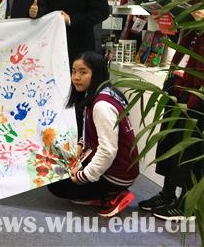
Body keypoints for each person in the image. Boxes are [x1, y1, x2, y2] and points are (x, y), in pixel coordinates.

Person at [138, 0, 203, 221]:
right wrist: (166, 21)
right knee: (169, 138)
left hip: (197, 86)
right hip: (179, 77)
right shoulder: (193, 1)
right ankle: (167, 194)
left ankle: (187, 202)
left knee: (190, 145)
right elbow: (179, 38)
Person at [48, 51, 139, 217]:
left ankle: (111, 196)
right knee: (57, 167)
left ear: (97, 73)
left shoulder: (101, 105)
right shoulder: (103, 94)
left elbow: (107, 151)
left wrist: (83, 176)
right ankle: (99, 193)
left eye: (83, 72)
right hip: (118, 167)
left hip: (117, 174)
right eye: (74, 71)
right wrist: (79, 147)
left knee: (56, 184)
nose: (76, 77)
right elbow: (90, 132)